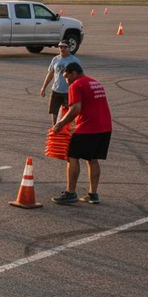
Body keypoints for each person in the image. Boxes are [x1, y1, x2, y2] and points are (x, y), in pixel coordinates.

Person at [51, 62, 112, 205]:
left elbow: (75, 109)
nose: (66, 81)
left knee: (72, 156)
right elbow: (91, 105)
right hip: (105, 127)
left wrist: (60, 124)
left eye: (66, 77)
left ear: (73, 73)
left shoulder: (76, 85)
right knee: (92, 159)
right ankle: (93, 194)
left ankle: (70, 193)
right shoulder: (95, 83)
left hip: (89, 128)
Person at [39, 40, 80, 125]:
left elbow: (79, 77)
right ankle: (55, 129)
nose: (62, 49)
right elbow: (50, 74)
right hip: (56, 90)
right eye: (60, 47)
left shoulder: (74, 60)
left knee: (70, 113)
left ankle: (70, 131)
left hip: (69, 92)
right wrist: (43, 87)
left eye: (65, 47)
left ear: (69, 48)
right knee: (54, 112)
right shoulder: (55, 59)